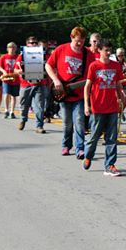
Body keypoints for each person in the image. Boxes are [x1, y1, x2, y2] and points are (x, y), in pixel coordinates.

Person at [83, 39, 126, 177]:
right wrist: (86, 104)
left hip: (112, 107)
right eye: (106, 50)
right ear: (99, 50)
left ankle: (110, 165)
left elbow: (118, 84)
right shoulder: (94, 66)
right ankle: (88, 155)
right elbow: (87, 87)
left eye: (110, 50)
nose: (108, 53)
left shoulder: (115, 65)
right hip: (98, 107)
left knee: (112, 138)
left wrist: (121, 99)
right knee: (94, 136)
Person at [45, 26, 90, 158]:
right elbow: (48, 65)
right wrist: (56, 80)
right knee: (67, 122)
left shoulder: (88, 54)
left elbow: (94, 71)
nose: (79, 43)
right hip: (63, 93)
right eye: (77, 40)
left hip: (80, 94)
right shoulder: (61, 49)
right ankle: (66, 145)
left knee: (79, 121)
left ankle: (80, 148)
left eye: (82, 40)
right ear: (71, 37)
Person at [17, 36, 48, 132]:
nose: (34, 44)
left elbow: (49, 67)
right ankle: (23, 119)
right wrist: (19, 71)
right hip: (25, 84)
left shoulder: (43, 55)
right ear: (27, 44)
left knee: (39, 106)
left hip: (40, 84)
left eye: (35, 43)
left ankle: (39, 126)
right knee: (24, 105)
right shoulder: (22, 56)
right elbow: (15, 69)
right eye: (31, 43)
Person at [0, 43, 22, 119]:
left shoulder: (18, 57)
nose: (12, 49)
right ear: (7, 48)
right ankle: (6, 110)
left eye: (13, 47)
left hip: (15, 79)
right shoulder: (4, 57)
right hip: (6, 78)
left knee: (14, 96)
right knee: (6, 94)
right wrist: (4, 71)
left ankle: (12, 111)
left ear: (16, 49)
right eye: (10, 47)